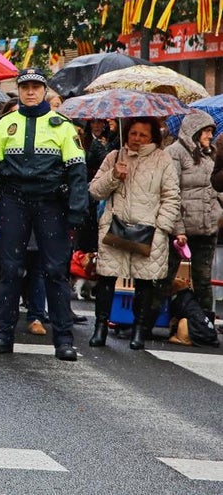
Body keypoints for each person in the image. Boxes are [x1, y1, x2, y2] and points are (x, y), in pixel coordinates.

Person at [0, 67, 88, 361]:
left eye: (36, 87)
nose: (31, 92)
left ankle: (63, 339)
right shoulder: (5, 124)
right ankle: (3, 335)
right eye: (25, 87)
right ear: (20, 91)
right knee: (10, 270)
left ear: (45, 90)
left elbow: (77, 173)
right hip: (14, 201)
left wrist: (77, 211)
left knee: (55, 272)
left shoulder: (62, 126)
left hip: (51, 204)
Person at [87, 118, 181, 349]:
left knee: (145, 282)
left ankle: (139, 329)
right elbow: (95, 191)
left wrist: (162, 227)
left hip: (149, 230)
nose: (137, 139)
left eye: (143, 135)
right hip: (116, 225)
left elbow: (171, 196)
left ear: (152, 138)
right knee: (107, 278)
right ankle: (100, 327)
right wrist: (114, 177)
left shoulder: (163, 159)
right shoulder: (114, 156)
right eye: (133, 133)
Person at [168, 110, 220, 316]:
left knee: (203, 280)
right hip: (179, 229)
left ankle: (203, 324)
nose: (209, 136)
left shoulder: (212, 154)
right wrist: (178, 229)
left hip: (207, 227)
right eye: (206, 131)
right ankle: (145, 324)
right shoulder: (174, 152)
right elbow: (171, 191)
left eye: (211, 131)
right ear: (194, 131)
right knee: (165, 276)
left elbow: (216, 189)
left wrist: (219, 215)